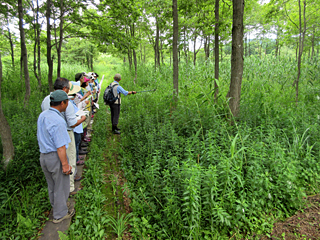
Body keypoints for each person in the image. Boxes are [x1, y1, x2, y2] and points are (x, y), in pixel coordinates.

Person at [41, 78, 86, 195]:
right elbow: (71, 123)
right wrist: (82, 119)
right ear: (65, 88)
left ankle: (59, 187)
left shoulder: (46, 100)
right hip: (64, 134)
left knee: (57, 162)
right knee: (69, 159)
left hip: (48, 137)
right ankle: (70, 187)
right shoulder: (66, 102)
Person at [37, 90, 75, 223]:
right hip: (55, 157)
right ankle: (60, 214)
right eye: (67, 101)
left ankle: (57, 206)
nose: (68, 103)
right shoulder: (58, 121)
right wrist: (65, 165)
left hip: (44, 156)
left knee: (52, 185)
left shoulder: (43, 115)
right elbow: (60, 147)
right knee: (61, 185)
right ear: (62, 103)